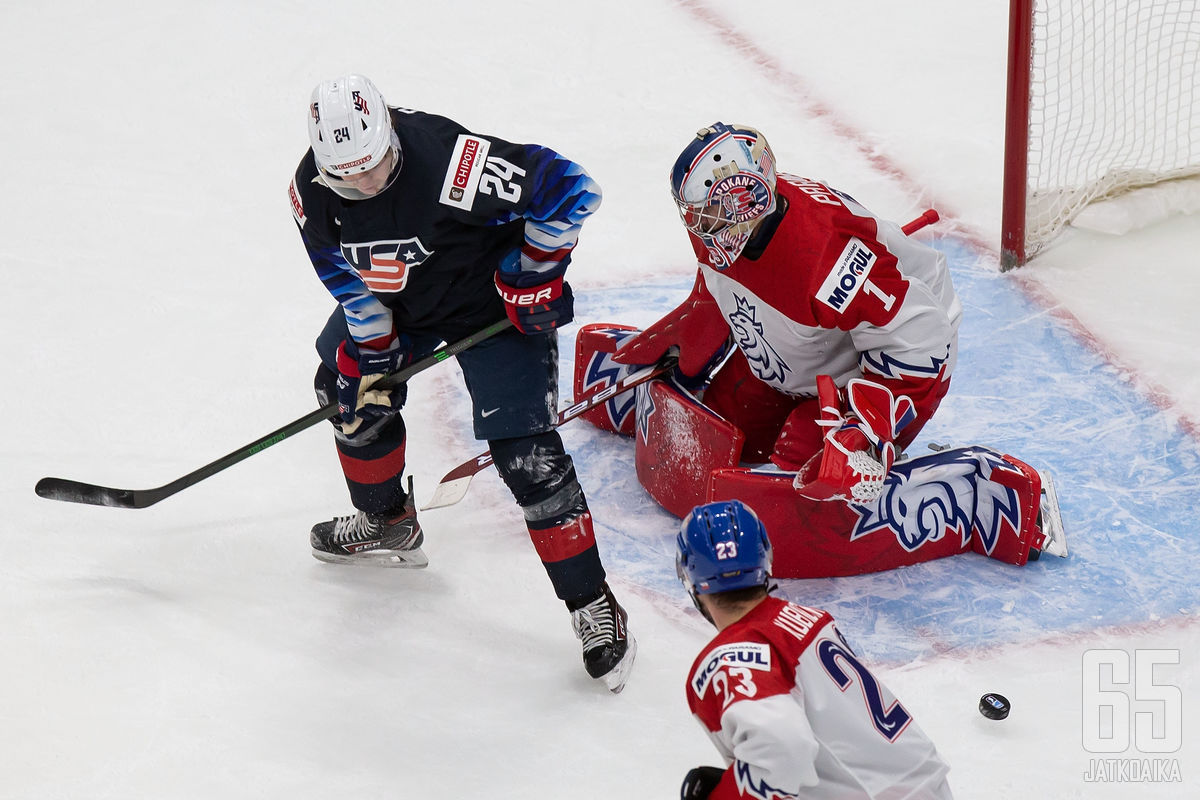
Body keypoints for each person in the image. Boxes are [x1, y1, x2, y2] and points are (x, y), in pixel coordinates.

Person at [287, 74, 634, 692]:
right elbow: (345, 279)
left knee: (525, 454)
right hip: (404, 307)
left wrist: (533, 274)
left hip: (489, 311)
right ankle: (388, 520)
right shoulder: (311, 192)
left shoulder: (453, 164)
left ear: (391, 133)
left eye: (374, 168)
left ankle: (592, 604)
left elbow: (572, 188)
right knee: (344, 398)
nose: (363, 184)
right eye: (348, 177)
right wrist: (373, 358)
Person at [614, 122, 961, 492]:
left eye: (707, 212)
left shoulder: (828, 260)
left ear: (746, 202)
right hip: (799, 356)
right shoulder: (729, 227)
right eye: (693, 212)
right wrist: (699, 322)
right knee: (720, 419)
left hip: (908, 360)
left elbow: (922, 340)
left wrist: (865, 428)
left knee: (800, 466)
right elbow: (730, 277)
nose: (696, 223)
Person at [676, 500, 954, 799]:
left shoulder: (729, 657)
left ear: (691, 578)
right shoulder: (809, 620)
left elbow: (783, 747)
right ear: (764, 556)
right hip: (924, 784)